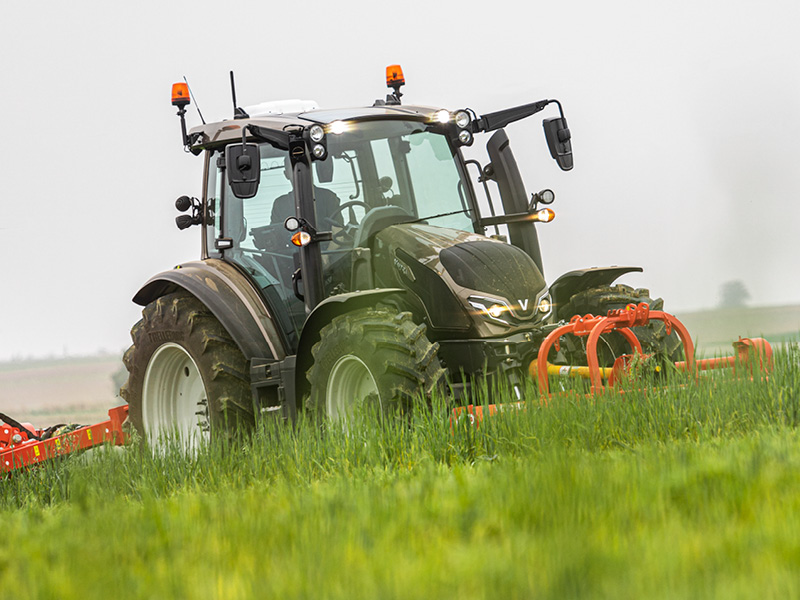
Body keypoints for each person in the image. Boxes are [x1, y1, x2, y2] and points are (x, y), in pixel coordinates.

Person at [270, 157, 342, 226]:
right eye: (294, 168)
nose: (299, 172)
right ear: (286, 174)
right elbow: (275, 234)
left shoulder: (328, 197)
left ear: (310, 171)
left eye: (302, 168)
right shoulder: (279, 205)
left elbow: (338, 230)